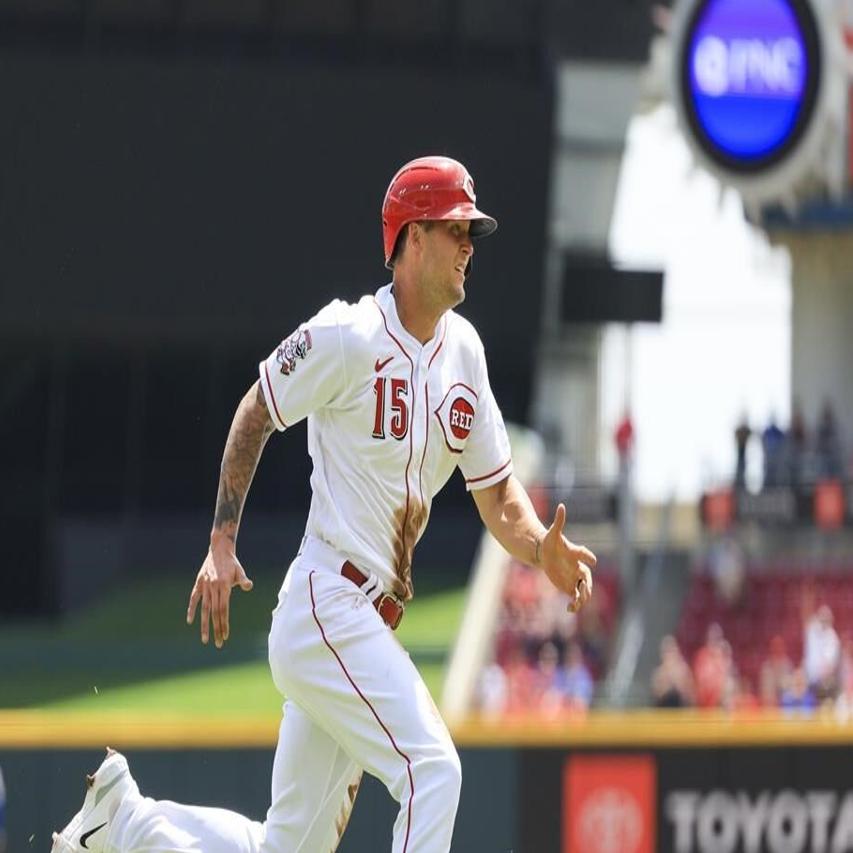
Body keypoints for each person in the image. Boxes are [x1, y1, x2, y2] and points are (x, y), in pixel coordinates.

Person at [51, 155, 596, 853]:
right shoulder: (347, 335)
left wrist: (536, 548)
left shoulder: (464, 352)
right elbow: (257, 409)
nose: (468, 245)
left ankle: (125, 818)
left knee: (286, 849)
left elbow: (495, 491)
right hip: (327, 603)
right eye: (455, 227)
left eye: (471, 232)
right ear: (410, 239)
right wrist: (222, 541)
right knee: (433, 768)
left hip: (367, 623)